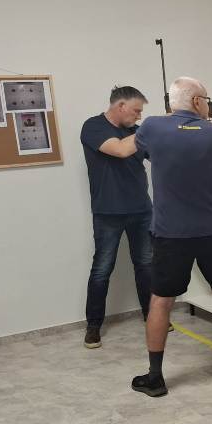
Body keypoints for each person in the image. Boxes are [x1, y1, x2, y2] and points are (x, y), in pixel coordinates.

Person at [130, 77, 212, 397]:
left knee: (161, 301)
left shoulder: (152, 127)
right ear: (196, 102)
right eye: (207, 99)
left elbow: (148, 151)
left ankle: (155, 376)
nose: (209, 104)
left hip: (171, 233)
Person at [80, 86, 152, 349]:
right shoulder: (93, 127)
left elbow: (162, 154)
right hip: (108, 211)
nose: (139, 116)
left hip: (141, 210)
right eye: (136, 111)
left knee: (146, 265)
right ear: (120, 106)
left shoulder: (137, 131)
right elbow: (120, 150)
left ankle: (152, 317)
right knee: (102, 269)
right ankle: (93, 326)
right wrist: (152, 128)